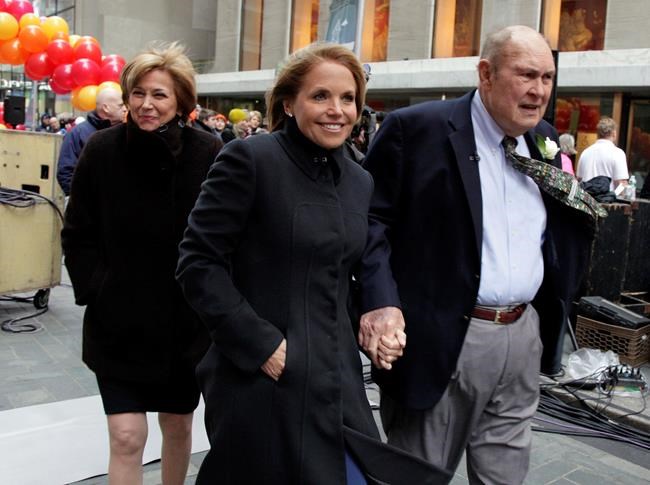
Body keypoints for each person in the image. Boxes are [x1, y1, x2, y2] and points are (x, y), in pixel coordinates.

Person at [176, 42, 448, 485]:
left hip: (336, 379)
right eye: (321, 96)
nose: (337, 110)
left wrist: (373, 323)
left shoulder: (359, 180)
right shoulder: (251, 159)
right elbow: (198, 262)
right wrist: (262, 346)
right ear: (289, 103)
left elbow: (337, 273)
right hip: (262, 380)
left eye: (348, 98)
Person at [359, 25, 595, 484]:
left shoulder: (544, 140)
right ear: (486, 74)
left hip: (522, 336)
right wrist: (380, 302)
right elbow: (370, 222)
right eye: (526, 75)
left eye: (547, 77)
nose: (539, 90)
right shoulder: (418, 129)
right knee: (419, 475)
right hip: (441, 339)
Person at [61, 42, 222, 485]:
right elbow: (77, 231)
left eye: (159, 94)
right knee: (127, 436)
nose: (146, 104)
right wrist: (96, 287)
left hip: (184, 327)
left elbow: (224, 233)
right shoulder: (101, 149)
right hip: (118, 324)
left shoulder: (208, 151)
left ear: (181, 102)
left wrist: (209, 301)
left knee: (178, 426)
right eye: (138, 93)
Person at [56, 87, 127, 195]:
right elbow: (66, 172)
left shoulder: (126, 133)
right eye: (121, 105)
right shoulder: (77, 134)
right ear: (106, 108)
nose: (125, 109)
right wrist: (84, 199)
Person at [577, 116, 629, 191]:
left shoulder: (585, 152)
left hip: (586, 197)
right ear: (614, 133)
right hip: (607, 197)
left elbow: (579, 179)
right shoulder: (618, 153)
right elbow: (621, 183)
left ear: (598, 134)